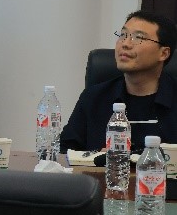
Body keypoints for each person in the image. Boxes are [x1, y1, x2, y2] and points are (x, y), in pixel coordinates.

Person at [60, 10, 177, 153]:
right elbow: (64, 151)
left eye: (138, 37)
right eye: (123, 35)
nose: (125, 44)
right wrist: (95, 157)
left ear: (163, 53)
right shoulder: (94, 98)